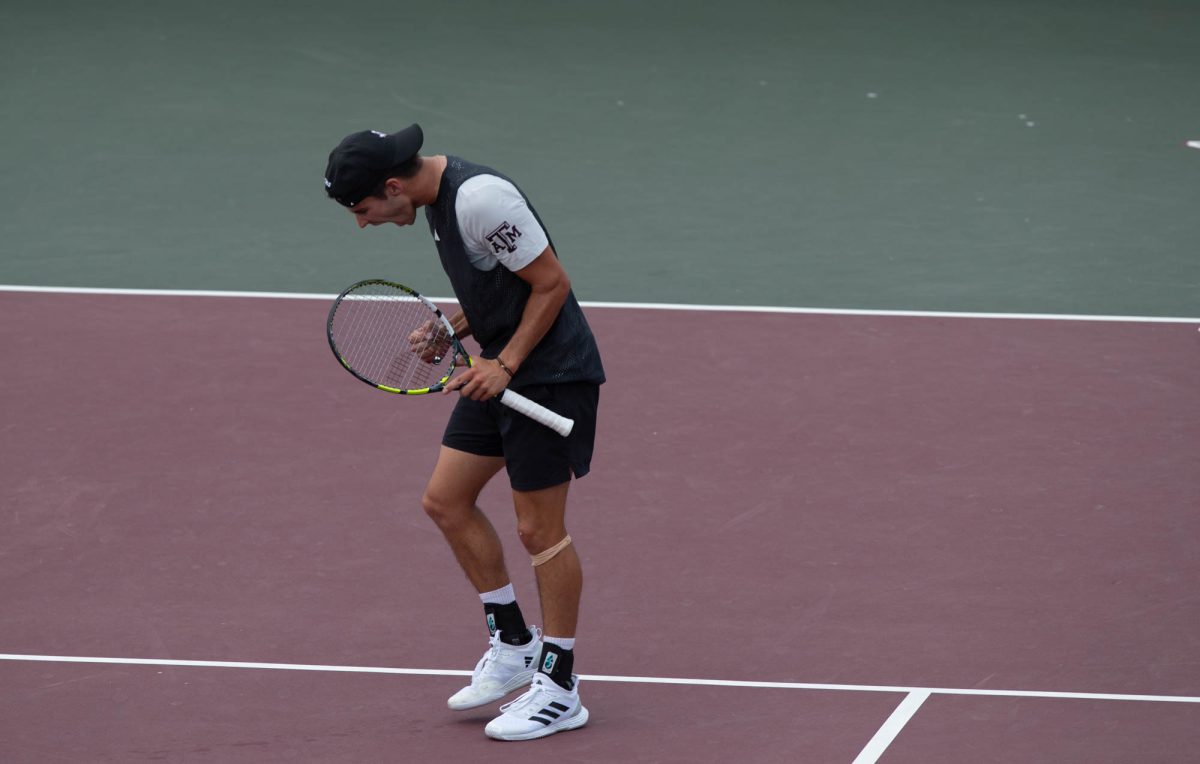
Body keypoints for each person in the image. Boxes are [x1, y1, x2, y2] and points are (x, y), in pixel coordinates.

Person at [323, 124, 604, 741]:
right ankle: (513, 647)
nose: (363, 224)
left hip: (548, 376)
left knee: (539, 530)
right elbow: (502, 289)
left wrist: (505, 365)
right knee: (446, 502)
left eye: (363, 210)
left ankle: (559, 687)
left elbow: (551, 282)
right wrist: (454, 330)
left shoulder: (479, 199)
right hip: (497, 368)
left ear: (392, 186)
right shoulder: (433, 203)